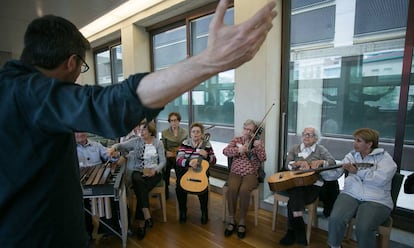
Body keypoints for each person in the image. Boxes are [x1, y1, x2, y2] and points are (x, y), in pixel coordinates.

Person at [0, 0, 276, 246]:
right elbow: (112, 106)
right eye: (83, 67)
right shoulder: (29, 93)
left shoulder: (11, 91)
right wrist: (209, 61)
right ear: (72, 62)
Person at [327, 128, 397, 248]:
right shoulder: (352, 155)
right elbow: (335, 173)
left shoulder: (385, 158)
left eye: (358, 141)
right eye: (354, 140)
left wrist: (357, 171)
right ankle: (334, 246)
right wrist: (325, 166)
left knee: (364, 228)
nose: (354, 143)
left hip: (376, 199)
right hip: (351, 193)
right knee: (335, 218)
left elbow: (381, 180)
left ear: (369, 144)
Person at [108, 120, 165, 240]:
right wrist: (113, 148)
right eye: (139, 129)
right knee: (137, 179)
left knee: (140, 188)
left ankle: (142, 223)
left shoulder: (158, 143)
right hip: (138, 171)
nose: (140, 132)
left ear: (150, 131)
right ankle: (145, 215)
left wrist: (155, 170)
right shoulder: (136, 141)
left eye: (143, 129)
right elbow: (120, 146)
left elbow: (163, 161)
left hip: (154, 173)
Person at [279, 126, 336, 246]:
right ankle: (298, 227)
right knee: (296, 192)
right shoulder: (295, 148)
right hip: (295, 181)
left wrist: (321, 162)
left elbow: (332, 162)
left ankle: (292, 230)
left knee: (294, 199)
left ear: (316, 138)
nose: (305, 137)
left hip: (312, 183)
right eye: (304, 134)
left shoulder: (321, 150)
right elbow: (286, 164)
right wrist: (296, 164)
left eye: (309, 135)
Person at [222, 119, 266, 239]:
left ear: (254, 132)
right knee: (232, 189)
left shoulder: (257, 142)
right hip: (235, 172)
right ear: (243, 129)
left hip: (251, 173)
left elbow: (263, 158)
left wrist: (259, 147)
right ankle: (231, 219)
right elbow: (225, 151)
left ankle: (242, 220)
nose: (247, 132)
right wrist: (238, 150)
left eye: (250, 130)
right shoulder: (237, 140)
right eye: (246, 129)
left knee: (244, 190)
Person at [75, 132, 120, 240]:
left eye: (82, 131)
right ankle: (87, 233)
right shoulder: (70, 148)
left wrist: (114, 155)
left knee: (112, 197)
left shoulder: (96, 145)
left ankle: (109, 228)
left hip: (98, 179)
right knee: (81, 204)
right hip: (80, 181)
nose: (80, 134)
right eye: (77, 132)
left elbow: (109, 156)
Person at [175, 122, 216, 224]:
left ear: (202, 134)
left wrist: (207, 155)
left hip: (201, 172)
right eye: (193, 132)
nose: (195, 134)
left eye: (198, 132)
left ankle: (204, 212)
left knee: (203, 188)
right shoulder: (185, 143)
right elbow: (178, 159)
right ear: (190, 133)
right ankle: (183, 210)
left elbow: (214, 161)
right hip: (187, 171)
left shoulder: (207, 144)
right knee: (179, 187)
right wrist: (188, 163)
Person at [161, 112, 188, 199]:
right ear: (169, 122)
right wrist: (166, 152)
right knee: (165, 167)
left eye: (175, 120)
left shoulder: (184, 132)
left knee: (180, 167)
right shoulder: (165, 132)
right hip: (168, 156)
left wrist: (177, 152)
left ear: (179, 121)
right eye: (171, 121)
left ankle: (180, 189)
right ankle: (165, 190)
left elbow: (186, 146)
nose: (173, 123)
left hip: (180, 155)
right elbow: (161, 147)